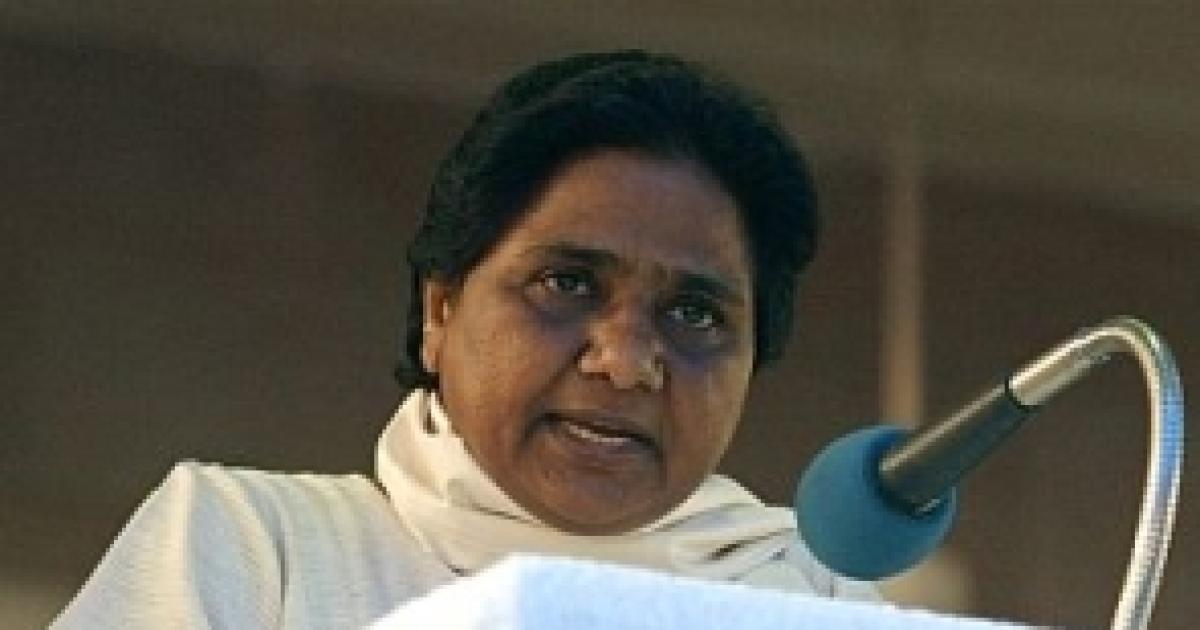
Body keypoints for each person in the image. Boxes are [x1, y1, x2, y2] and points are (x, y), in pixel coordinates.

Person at [53, 49, 878, 629]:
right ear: (441, 311)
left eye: (695, 315)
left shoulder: (817, 600)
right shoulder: (261, 545)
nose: (626, 362)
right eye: (568, 283)